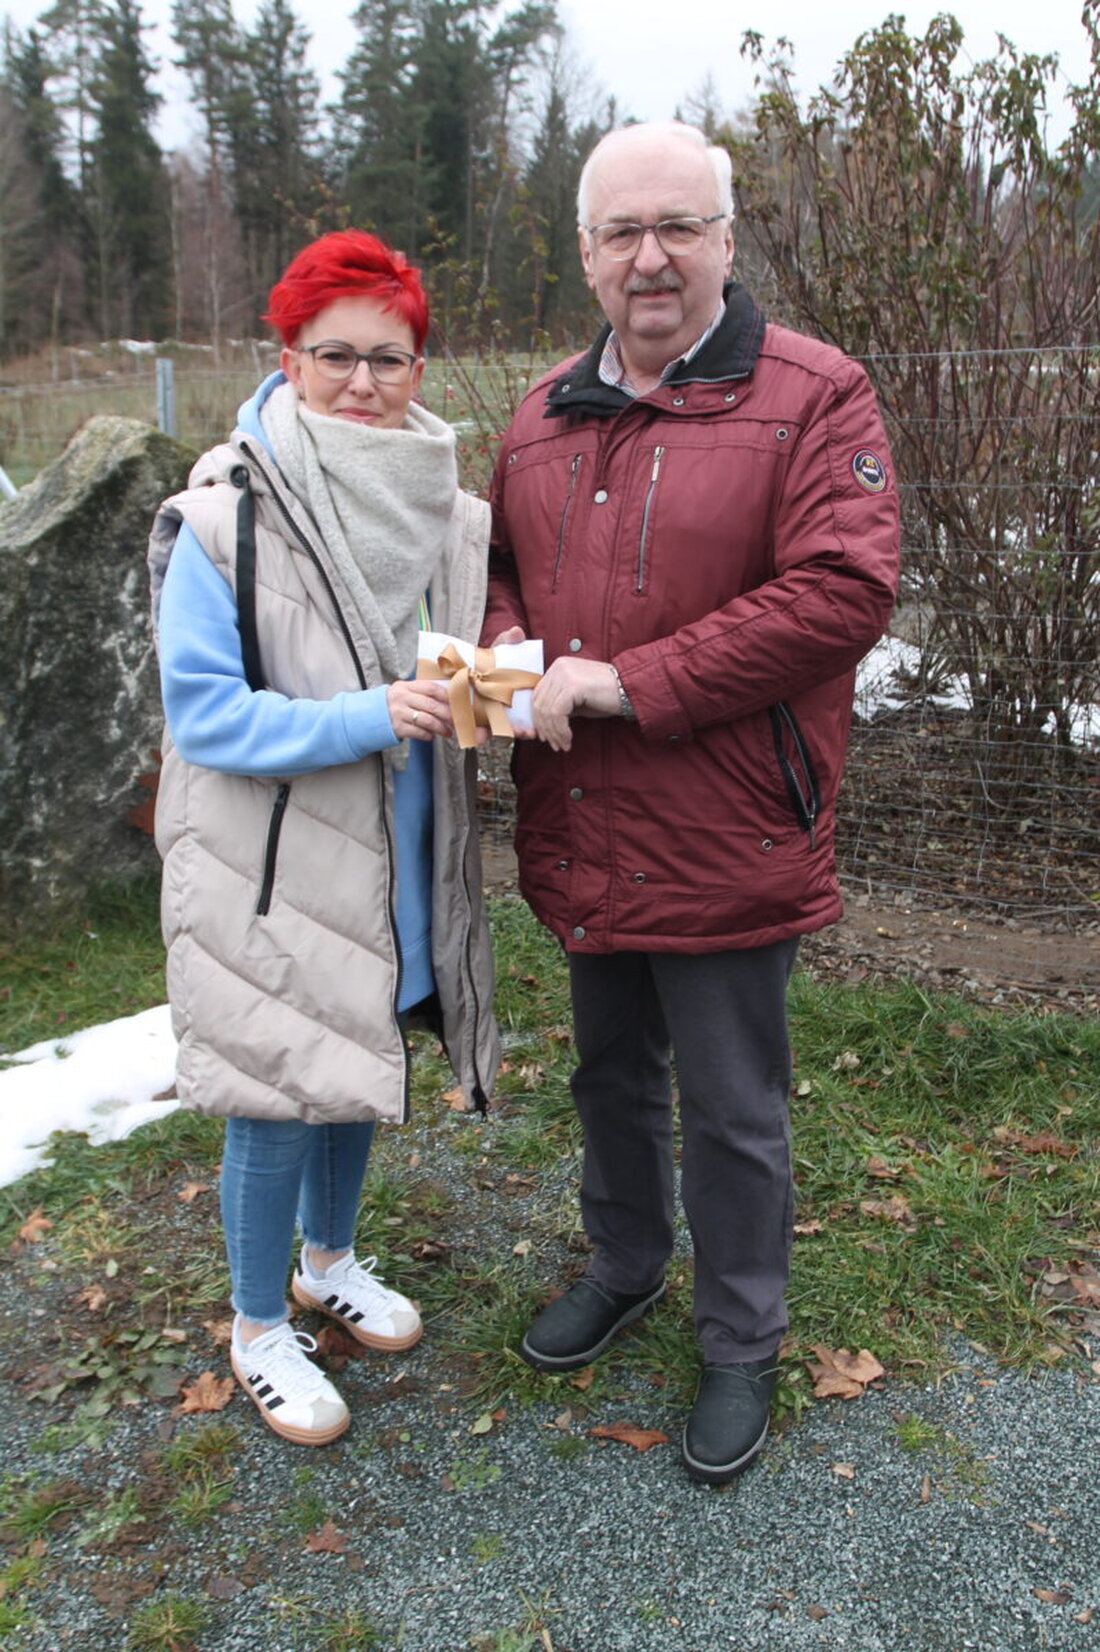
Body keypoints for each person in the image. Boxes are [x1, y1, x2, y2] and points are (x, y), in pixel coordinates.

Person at [483, 123, 900, 1484]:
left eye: (678, 226)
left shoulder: (814, 394)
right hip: (582, 821)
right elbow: (494, 576)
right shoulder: (541, 416)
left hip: (725, 823)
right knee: (609, 1073)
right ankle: (626, 1265)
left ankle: (741, 1338)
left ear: (726, 238)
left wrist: (628, 683)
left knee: (730, 1103)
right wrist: (502, 662)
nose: (649, 257)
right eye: (621, 233)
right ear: (589, 255)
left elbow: (842, 594)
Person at [148, 230, 499, 1446]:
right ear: (284, 358)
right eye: (333, 354)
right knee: (276, 1091)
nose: (362, 381)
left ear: (419, 364)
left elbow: (433, 655)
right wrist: (368, 712)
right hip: (273, 862)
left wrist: (485, 686)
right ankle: (256, 1327)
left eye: (388, 357)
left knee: (353, 1065)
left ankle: (327, 1262)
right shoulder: (218, 515)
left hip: (398, 843)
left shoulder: (443, 506)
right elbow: (200, 712)